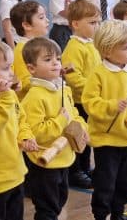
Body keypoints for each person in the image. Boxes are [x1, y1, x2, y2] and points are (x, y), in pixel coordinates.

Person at [81, 20, 127, 220]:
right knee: (106, 182)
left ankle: (118, 212)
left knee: (125, 182)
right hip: (107, 141)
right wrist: (111, 106)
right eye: (125, 47)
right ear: (107, 51)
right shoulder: (98, 74)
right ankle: (101, 214)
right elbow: (89, 102)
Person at [21, 37, 89, 220]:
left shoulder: (61, 89)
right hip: (44, 161)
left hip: (64, 157)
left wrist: (82, 126)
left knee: (60, 199)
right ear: (31, 68)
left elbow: (73, 113)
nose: (55, 63)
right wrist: (61, 120)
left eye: (58, 59)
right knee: (47, 207)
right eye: (48, 59)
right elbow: (37, 133)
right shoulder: (34, 97)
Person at [62, 0, 101, 189]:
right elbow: (72, 76)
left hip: (91, 99)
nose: (96, 26)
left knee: (88, 137)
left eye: (97, 22)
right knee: (79, 138)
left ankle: (86, 168)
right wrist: (92, 87)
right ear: (76, 24)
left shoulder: (91, 44)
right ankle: (75, 171)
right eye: (92, 23)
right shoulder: (74, 47)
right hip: (79, 100)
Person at [0, 41, 38, 220]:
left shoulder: (10, 95)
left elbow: (21, 120)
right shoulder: (7, 97)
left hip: (15, 173)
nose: (12, 73)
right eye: (6, 68)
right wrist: (5, 97)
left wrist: (26, 136)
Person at [10, 0, 49, 100]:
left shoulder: (40, 45)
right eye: (41, 17)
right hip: (29, 103)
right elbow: (24, 81)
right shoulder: (21, 50)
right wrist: (47, 78)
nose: (47, 20)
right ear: (27, 25)